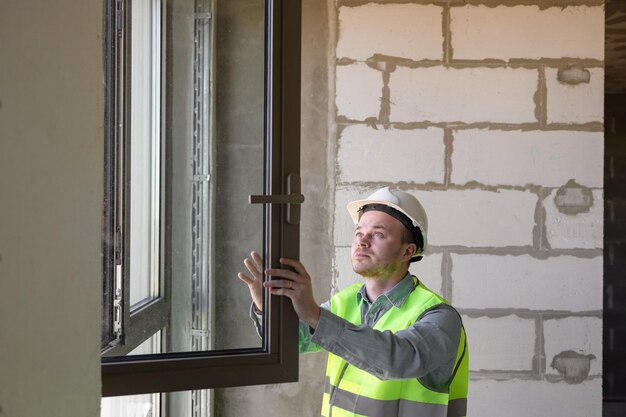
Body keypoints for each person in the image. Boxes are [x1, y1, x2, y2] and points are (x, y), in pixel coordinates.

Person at [237, 186, 468, 417]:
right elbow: (295, 343)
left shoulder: (438, 316)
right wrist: (266, 309)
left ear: (407, 251)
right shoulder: (347, 301)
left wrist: (315, 315)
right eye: (358, 233)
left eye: (378, 234)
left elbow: (400, 360)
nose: (362, 241)